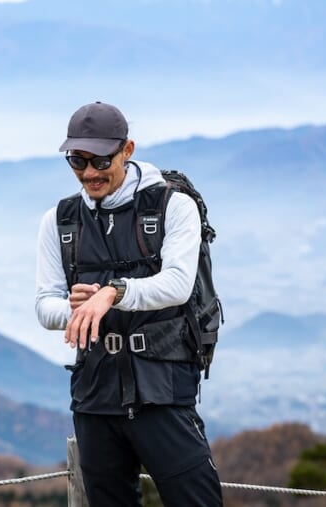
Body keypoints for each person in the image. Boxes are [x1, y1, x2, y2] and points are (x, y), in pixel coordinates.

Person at [35, 101, 223, 506]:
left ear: (128, 150)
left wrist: (112, 293)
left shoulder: (173, 205)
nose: (89, 172)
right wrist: (75, 308)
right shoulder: (59, 221)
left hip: (163, 389)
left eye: (101, 159)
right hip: (94, 393)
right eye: (77, 160)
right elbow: (44, 306)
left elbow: (177, 284)